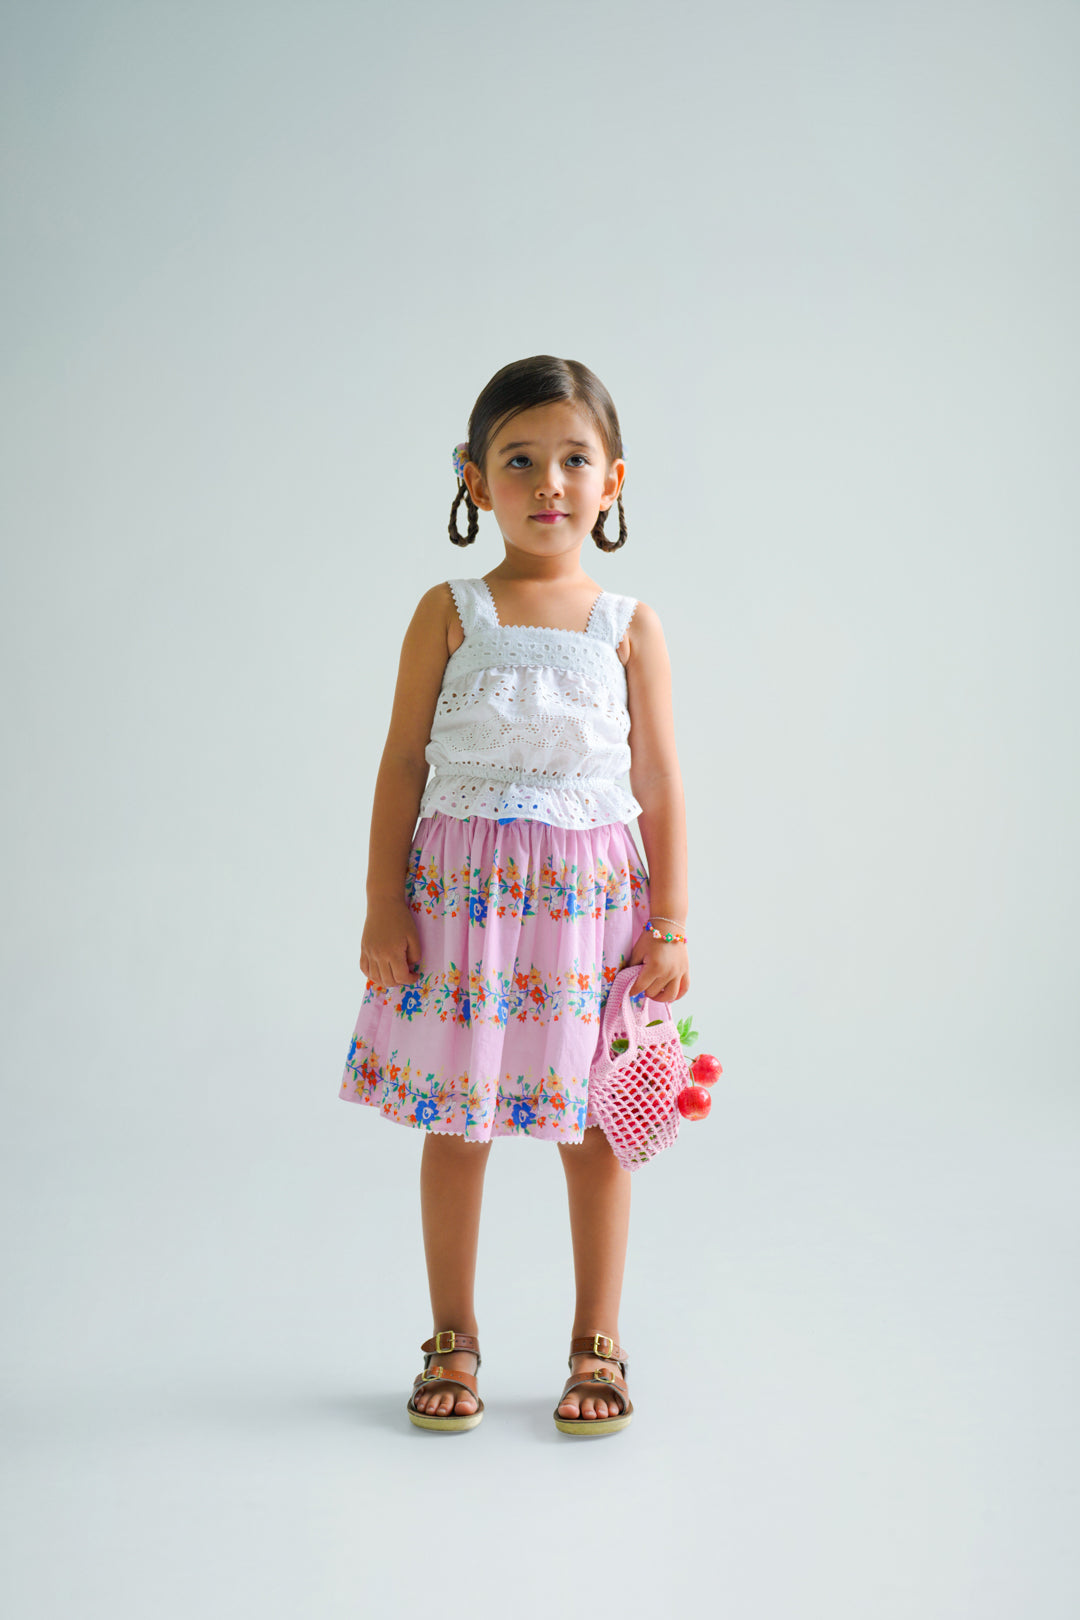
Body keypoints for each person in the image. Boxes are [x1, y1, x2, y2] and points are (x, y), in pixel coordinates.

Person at [338, 354, 689, 1437]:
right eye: (520, 460)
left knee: (598, 1124)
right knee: (460, 1120)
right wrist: (382, 904)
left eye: (574, 460)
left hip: (592, 911)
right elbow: (402, 760)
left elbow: (659, 778)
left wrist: (672, 924)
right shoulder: (449, 611)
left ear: (613, 481)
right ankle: (453, 1334)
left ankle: (597, 1340)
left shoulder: (627, 623)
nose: (549, 483)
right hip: (465, 907)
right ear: (475, 478)